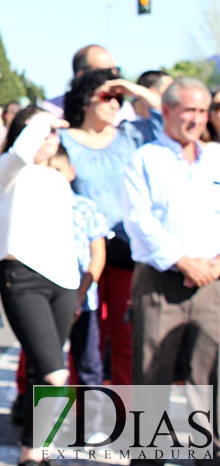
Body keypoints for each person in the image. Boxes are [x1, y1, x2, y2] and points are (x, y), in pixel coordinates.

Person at [122, 77, 220, 466]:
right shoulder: (145, 159)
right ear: (167, 111)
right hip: (162, 279)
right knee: (152, 380)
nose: (196, 119)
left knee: (208, 380)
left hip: (212, 281)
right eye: (188, 110)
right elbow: (138, 220)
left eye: (202, 110)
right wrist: (184, 261)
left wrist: (212, 266)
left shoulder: (216, 157)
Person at [60, 67, 158, 389]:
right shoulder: (63, 140)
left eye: (119, 97)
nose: (115, 103)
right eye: (106, 96)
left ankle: (131, 423)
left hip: (125, 249)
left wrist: (133, 89)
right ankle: (77, 423)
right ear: (85, 101)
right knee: (82, 340)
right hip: (78, 254)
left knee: (127, 336)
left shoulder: (130, 135)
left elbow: (166, 115)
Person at [0, 106, 78, 465]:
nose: (51, 137)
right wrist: (45, 120)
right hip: (22, 279)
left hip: (64, 282)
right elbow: (21, 150)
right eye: (42, 131)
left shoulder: (57, 178)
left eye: (55, 133)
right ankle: (38, 450)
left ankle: (33, 453)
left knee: (42, 372)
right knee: (57, 374)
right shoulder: (7, 170)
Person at [48, 146, 107, 429]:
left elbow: (98, 252)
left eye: (58, 171)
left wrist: (80, 292)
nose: (54, 177)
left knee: (89, 363)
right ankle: (52, 426)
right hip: (50, 299)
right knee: (50, 364)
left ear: (71, 173)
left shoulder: (84, 207)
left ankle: (91, 423)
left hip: (84, 299)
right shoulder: (38, 209)